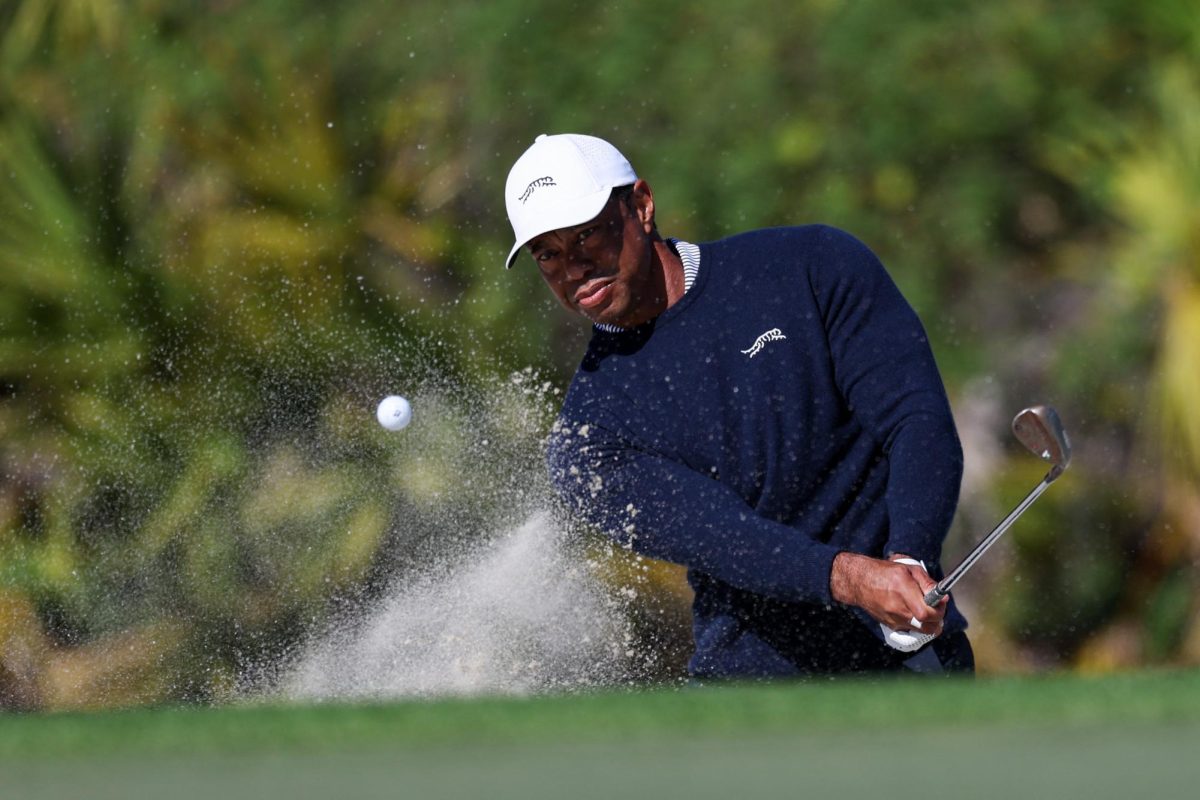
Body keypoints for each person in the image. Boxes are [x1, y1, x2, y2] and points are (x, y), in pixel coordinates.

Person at [503, 133, 973, 678]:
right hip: (750, 691)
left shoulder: (809, 266)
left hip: (913, 664)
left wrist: (910, 558)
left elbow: (915, 419)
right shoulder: (589, 437)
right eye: (548, 254)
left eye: (586, 235)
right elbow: (725, 537)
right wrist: (851, 580)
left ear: (642, 204)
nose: (573, 269)